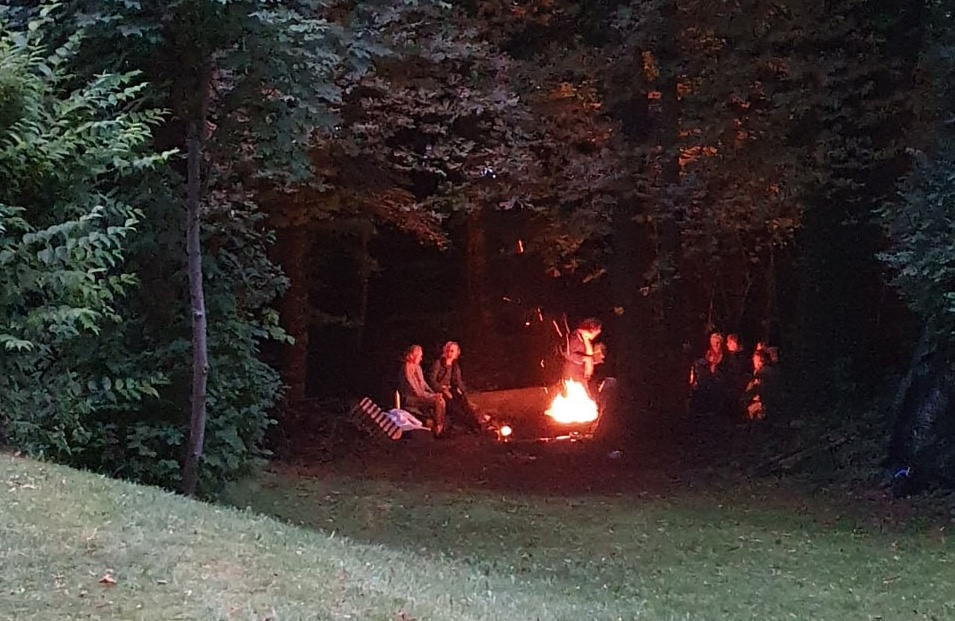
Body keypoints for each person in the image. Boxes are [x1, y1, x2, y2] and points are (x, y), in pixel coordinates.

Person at [428, 341, 492, 433]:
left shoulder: (455, 366)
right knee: (455, 408)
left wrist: (462, 392)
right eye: (449, 350)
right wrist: (442, 389)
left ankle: (477, 426)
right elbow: (432, 381)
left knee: (465, 404)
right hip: (441, 391)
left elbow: (458, 382)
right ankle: (473, 426)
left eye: (452, 351)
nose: (450, 353)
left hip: (451, 390)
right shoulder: (438, 363)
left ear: (457, 353)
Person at [397, 344, 446, 436]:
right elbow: (414, 390)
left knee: (441, 400)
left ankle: (439, 426)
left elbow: (424, 384)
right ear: (413, 356)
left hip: (421, 395)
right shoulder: (405, 369)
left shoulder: (418, 368)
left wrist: (434, 393)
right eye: (420, 356)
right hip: (411, 398)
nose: (421, 358)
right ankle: (438, 429)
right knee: (438, 402)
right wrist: (431, 396)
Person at [562, 318, 603, 393]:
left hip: (582, 375)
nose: (598, 333)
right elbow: (567, 354)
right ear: (592, 329)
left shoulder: (585, 339)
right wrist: (585, 359)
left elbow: (589, 356)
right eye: (597, 330)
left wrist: (596, 359)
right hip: (573, 373)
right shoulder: (575, 337)